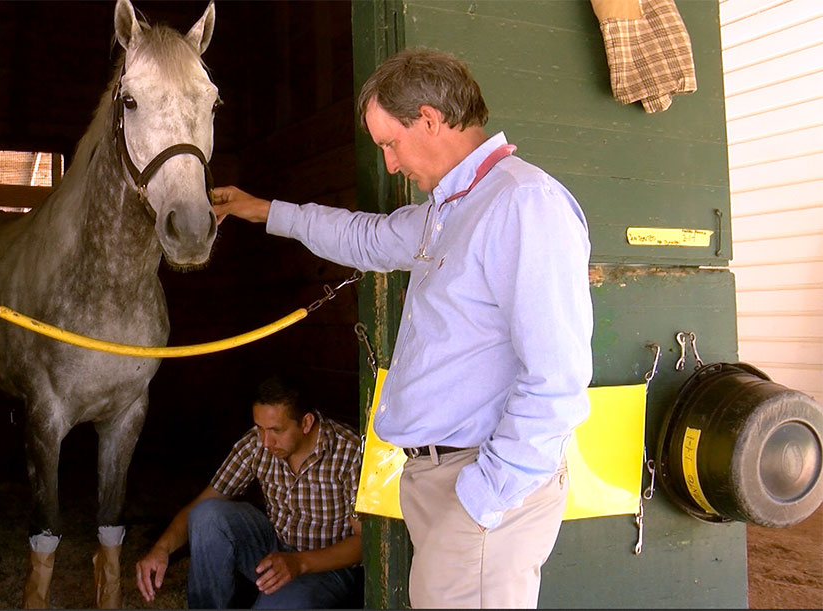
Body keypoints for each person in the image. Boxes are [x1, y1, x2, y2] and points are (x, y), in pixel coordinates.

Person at [211, 47, 593, 608]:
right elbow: (363, 237)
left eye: (391, 143)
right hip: (443, 478)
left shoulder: (521, 203)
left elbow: (557, 377)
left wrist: (484, 496)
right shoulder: (451, 210)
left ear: (431, 119)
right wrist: (263, 211)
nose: (390, 164)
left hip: (480, 485)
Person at [134, 373, 364, 609]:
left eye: (276, 430)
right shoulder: (258, 443)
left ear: (306, 423)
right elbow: (202, 505)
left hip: (328, 568)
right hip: (275, 547)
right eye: (259, 428)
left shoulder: (349, 453)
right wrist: (161, 549)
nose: (265, 441)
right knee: (207, 515)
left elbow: (363, 543)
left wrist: (300, 563)